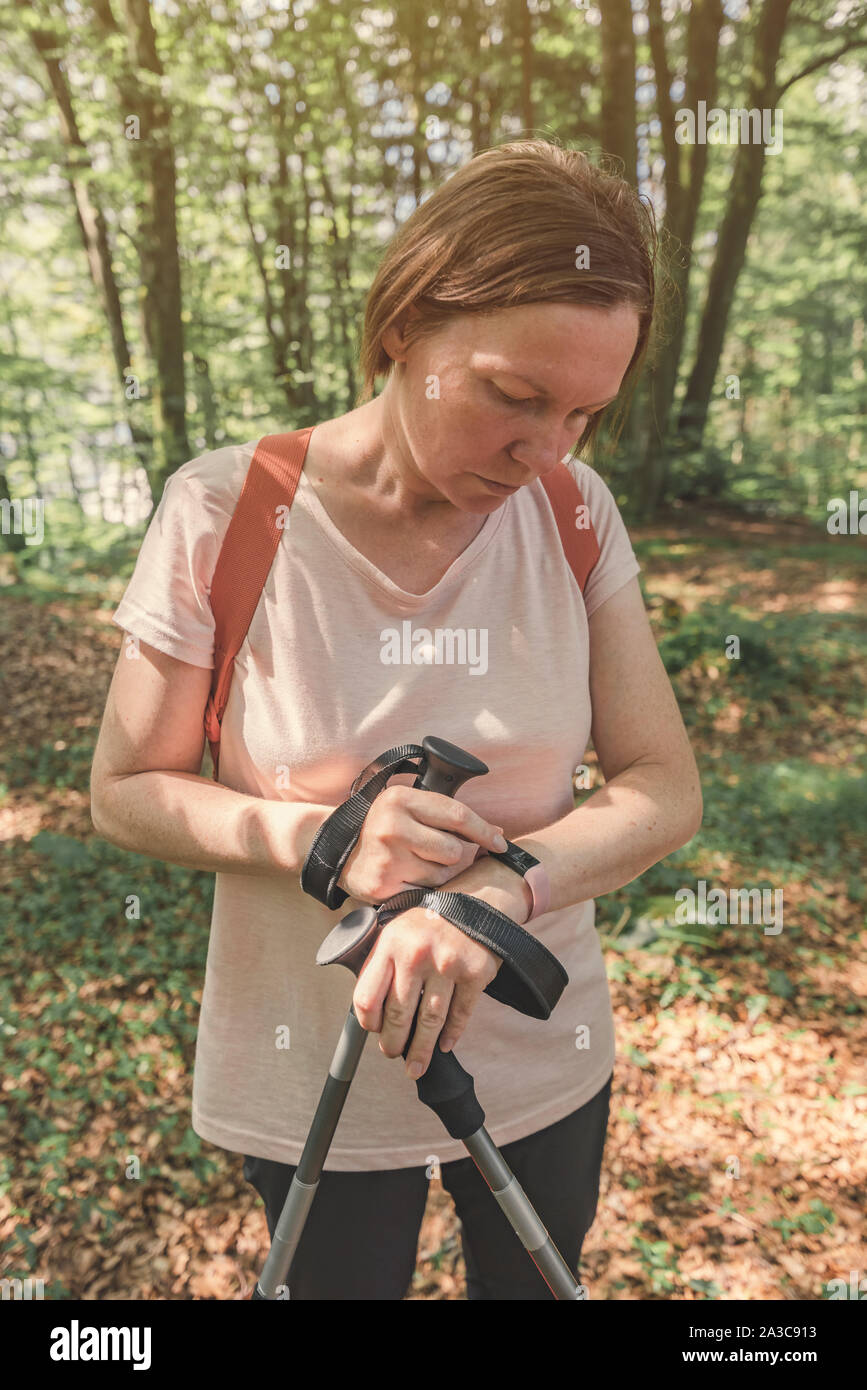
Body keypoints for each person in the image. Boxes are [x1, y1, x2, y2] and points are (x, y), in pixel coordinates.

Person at [90, 138, 702, 1300]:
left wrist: (502, 889)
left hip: (540, 1052)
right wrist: (323, 837)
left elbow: (663, 785)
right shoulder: (228, 511)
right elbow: (124, 788)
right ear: (407, 320)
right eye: (514, 396)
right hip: (311, 1074)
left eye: (585, 412)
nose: (544, 451)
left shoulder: (574, 513)